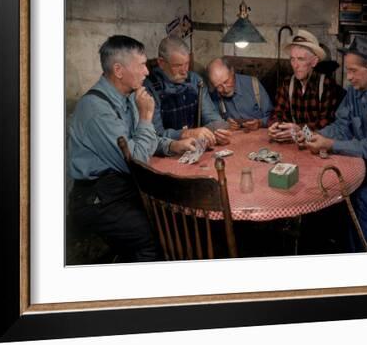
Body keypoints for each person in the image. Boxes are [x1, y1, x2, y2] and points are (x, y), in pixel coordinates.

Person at [67, 35, 196, 262]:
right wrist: (146, 116)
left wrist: (172, 145)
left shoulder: (127, 98)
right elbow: (136, 161)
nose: (147, 71)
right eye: (142, 65)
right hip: (98, 199)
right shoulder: (95, 109)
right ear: (119, 70)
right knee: (155, 238)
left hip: (125, 189)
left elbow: (143, 140)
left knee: (177, 221)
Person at [306, 35, 367, 252]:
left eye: (353, 71)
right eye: (347, 70)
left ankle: (361, 263)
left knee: (363, 200)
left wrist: (329, 144)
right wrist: (315, 135)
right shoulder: (354, 91)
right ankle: (343, 251)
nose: (348, 77)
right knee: (335, 190)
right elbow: (342, 125)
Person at [144, 36, 231, 146]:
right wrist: (185, 134)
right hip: (167, 153)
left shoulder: (195, 80)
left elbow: (211, 116)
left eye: (187, 64)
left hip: (194, 150)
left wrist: (218, 131)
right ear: (161, 63)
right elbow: (155, 135)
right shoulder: (149, 89)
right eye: (178, 65)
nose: (184, 71)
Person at [267, 29, 343, 142]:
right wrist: (274, 126)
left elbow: (327, 124)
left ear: (314, 62)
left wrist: (300, 129)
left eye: (301, 59)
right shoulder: (287, 83)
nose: (295, 65)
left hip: (317, 143)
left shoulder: (326, 84)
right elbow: (277, 113)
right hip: (293, 142)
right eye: (292, 59)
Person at [207, 57, 273, 131]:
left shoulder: (253, 84)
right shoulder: (214, 95)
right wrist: (225, 124)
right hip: (233, 138)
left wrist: (260, 123)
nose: (225, 89)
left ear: (232, 71)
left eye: (226, 81)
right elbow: (213, 121)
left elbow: (272, 116)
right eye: (219, 86)